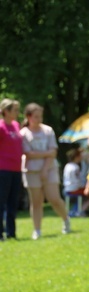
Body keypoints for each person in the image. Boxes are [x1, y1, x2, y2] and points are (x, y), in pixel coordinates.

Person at [20, 103, 71, 239]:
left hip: (49, 169)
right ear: (29, 117)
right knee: (36, 202)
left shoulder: (48, 131)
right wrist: (45, 153)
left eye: (40, 116)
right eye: (36, 116)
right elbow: (28, 154)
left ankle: (66, 219)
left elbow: (53, 152)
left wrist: (44, 169)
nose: (39, 119)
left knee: (54, 198)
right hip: (31, 171)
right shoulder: (23, 133)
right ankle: (37, 230)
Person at [0, 99, 23, 240]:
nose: (17, 113)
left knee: (13, 202)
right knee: (1, 201)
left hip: (16, 168)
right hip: (3, 168)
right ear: (6, 111)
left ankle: (11, 233)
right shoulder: (1, 127)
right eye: (15, 110)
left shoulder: (16, 125)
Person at [63, 146, 89, 216]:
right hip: (74, 188)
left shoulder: (67, 165)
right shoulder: (76, 167)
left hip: (67, 188)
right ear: (77, 157)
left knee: (84, 195)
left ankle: (75, 209)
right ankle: (80, 210)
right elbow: (78, 180)